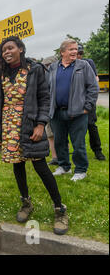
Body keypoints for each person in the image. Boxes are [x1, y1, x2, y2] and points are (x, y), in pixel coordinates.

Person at [0, 36, 69, 235]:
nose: (6, 52)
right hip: (8, 125)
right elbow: (0, 103)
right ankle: (26, 202)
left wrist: (40, 124)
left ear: (20, 48)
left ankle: (60, 209)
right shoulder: (0, 73)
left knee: (40, 166)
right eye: (3, 50)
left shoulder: (34, 69)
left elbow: (44, 98)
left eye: (10, 48)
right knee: (18, 165)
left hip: (29, 124)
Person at [48, 39, 99, 181]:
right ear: (62, 52)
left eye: (76, 49)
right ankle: (64, 167)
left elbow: (93, 88)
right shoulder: (53, 67)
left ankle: (81, 170)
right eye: (71, 49)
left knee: (78, 143)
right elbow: (48, 89)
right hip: (57, 112)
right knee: (59, 141)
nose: (75, 52)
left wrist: (87, 107)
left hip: (78, 113)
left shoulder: (83, 66)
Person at [77, 44, 106, 161]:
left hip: (88, 99)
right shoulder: (68, 65)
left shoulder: (88, 62)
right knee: (77, 127)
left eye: (80, 53)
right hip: (74, 100)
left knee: (91, 125)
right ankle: (79, 151)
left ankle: (97, 150)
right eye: (77, 52)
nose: (78, 55)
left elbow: (95, 79)